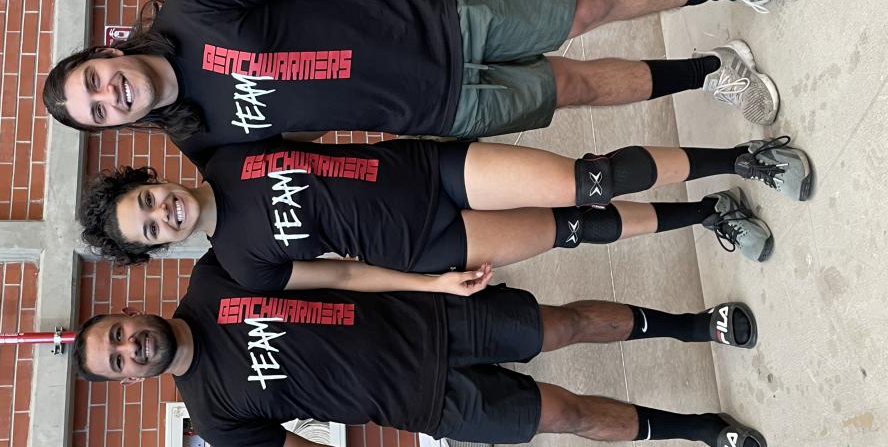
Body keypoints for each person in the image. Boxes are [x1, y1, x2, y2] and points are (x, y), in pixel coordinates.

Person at [42, 0, 812, 164]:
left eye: (94, 81)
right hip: (438, 108)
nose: (109, 94)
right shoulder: (203, 142)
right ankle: (714, 70)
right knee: (573, 87)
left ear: (104, 53)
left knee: (584, 8)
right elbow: (305, 150)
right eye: (97, 111)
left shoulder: (192, 2)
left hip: (437, 17)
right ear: (114, 126)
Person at [71, 253, 768, 447]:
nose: (131, 348)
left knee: (564, 324)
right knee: (566, 413)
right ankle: (704, 431)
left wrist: (430, 281)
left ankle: (694, 323)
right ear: (130, 380)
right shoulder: (214, 415)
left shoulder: (215, 276)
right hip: (427, 400)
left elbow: (340, 272)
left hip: (431, 318)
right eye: (118, 360)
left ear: (128, 312)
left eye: (118, 334)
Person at [80, 135, 812, 290]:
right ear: (159, 246)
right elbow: (343, 278)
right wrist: (429, 284)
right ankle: (709, 214)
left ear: (153, 178)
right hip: (431, 242)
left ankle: (744, 158)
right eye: (152, 229)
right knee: (573, 227)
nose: (163, 213)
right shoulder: (241, 264)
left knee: (588, 182)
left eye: (147, 200)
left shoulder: (228, 151)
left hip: (427, 169)